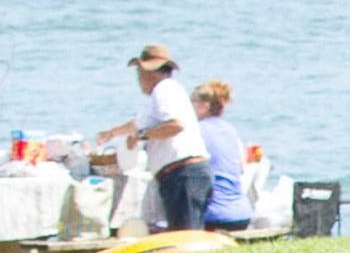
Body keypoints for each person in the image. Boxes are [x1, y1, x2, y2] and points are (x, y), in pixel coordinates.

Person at [97, 43, 211, 233]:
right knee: (183, 232)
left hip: (184, 172)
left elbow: (176, 125)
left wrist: (141, 136)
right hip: (183, 172)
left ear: (146, 72)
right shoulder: (160, 96)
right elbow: (136, 124)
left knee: (185, 236)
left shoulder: (165, 90)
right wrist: (112, 132)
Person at [191, 81, 254, 229]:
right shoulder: (230, 130)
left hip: (214, 216)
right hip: (242, 213)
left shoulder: (197, 130)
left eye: (192, 101)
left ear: (204, 106)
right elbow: (242, 168)